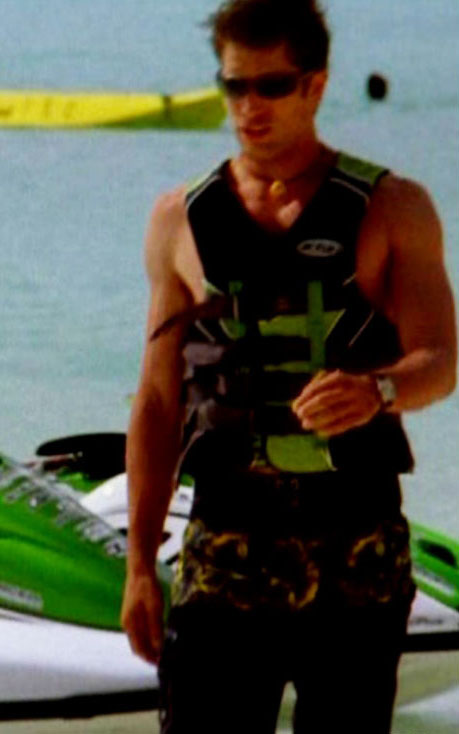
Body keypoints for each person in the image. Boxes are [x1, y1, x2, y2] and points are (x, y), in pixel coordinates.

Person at [120, 1, 456, 732]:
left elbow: (440, 360)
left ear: (315, 85)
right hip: (224, 560)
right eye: (233, 86)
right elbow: (156, 403)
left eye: (270, 86)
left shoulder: (393, 207)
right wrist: (138, 564)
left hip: (356, 563)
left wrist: (378, 390)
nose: (248, 106)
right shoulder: (180, 219)